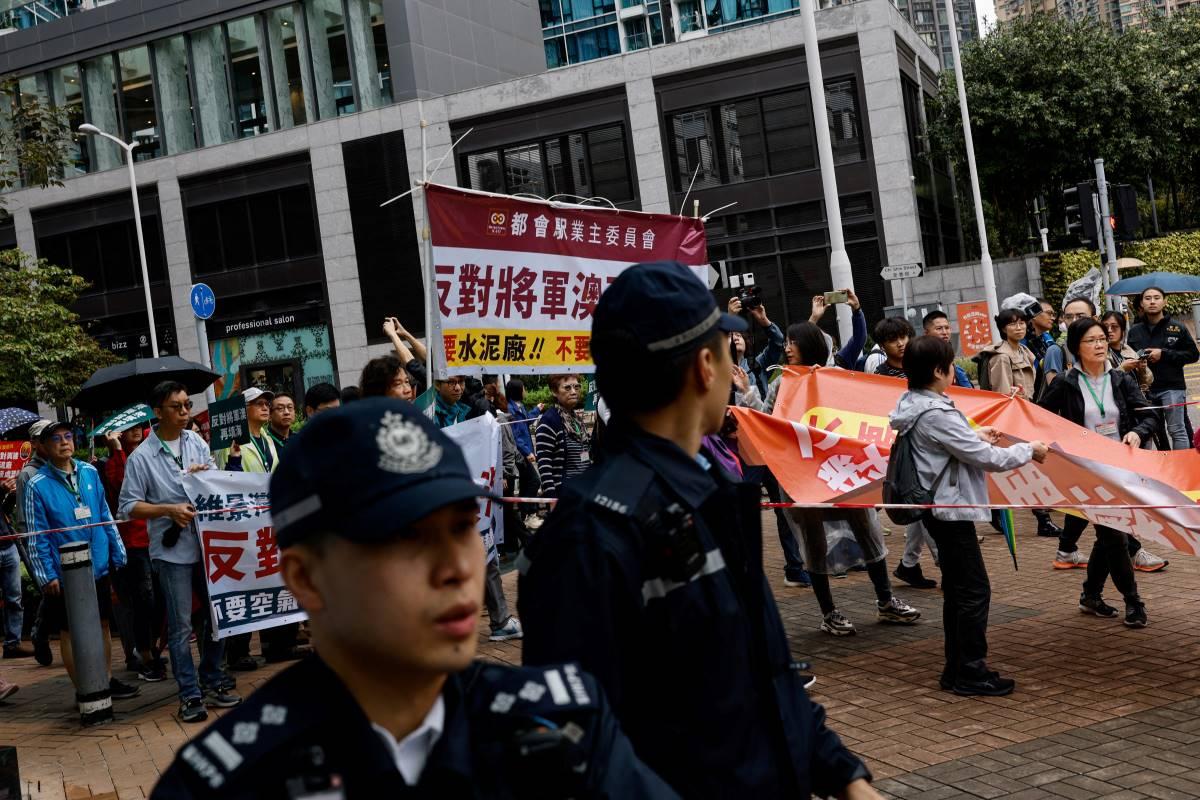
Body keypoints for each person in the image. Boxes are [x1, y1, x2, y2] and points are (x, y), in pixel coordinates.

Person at [151, 397, 677, 799]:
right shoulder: (225, 782)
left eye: (464, 525)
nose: (456, 568)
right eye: (405, 537)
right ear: (307, 578)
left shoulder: (563, 726)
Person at [521, 261, 880, 799]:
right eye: (725, 346)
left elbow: (759, 670)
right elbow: (571, 747)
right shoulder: (590, 534)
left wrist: (842, 772)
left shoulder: (709, 487)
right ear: (704, 368)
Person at [736, 319, 920, 636]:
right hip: (801, 476)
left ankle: (886, 599)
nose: (787, 347)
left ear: (809, 345)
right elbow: (767, 424)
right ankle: (829, 612)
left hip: (842, 471)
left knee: (868, 530)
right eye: (786, 343)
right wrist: (748, 393)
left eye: (792, 342)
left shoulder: (836, 379)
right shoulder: (783, 383)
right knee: (813, 541)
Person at [890, 336, 1049, 696]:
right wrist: (1029, 450)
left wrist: (974, 435)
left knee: (960, 593)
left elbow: (947, 447)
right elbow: (986, 459)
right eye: (949, 365)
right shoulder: (935, 412)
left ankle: (958, 669)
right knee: (974, 593)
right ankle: (971, 672)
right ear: (937, 371)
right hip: (951, 512)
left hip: (939, 509)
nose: (953, 372)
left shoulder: (913, 404)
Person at [118, 381, 241, 723]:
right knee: (180, 626)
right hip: (171, 552)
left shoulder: (196, 442)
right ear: (157, 412)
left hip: (207, 543)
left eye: (187, 405)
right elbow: (127, 506)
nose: (185, 412)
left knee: (218, 614)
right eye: (177, 407)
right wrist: (168, 510)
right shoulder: (142, 457)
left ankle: (213, 679)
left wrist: (204, 476)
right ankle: (189, 695)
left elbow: (214, 484)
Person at [1039, 319, 1158, 628]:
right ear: (1077, 347)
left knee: (1109, 533)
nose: (1100, 344)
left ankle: (1091, 595)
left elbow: (1148, 416)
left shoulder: (1120, 379)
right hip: (1087, 472)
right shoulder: (1065, 383)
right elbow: (1040, 419)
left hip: (1120, 469)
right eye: (1091, 340)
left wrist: (1135, 432)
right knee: (1113, 534)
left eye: (1103, 339)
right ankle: (1133, 601)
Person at [24, 421, 140, 701]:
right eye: (56, 438)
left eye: (68, 436)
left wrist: (117, 550)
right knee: (69, 629)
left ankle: (106, 679)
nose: (65, 442)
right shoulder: (36, 484)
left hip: (97, 563)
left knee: (101, 623)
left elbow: (104, 513)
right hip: (63, 570)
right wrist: (45, 574)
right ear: (43, 446)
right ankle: (84, 689)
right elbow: (35, 535)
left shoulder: (89, 471)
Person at [429, 380, 522, 643]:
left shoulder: (466, 411)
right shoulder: (427, 415)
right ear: (436, 384)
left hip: (470, 501)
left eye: (460, 383)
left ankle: (500, 620)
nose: (457, 387)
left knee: (486, 556)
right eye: (451, 382)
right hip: (441, 505)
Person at [103, 424, 166, 682]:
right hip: (134, 541)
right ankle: (143, 653)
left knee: (161, 598)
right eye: (128, 428)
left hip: (158, 536)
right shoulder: (113, 462)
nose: (136, 431)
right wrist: (117, 451)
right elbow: (123, 486)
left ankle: (153, 646)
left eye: (139, 426)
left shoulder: (154, 453)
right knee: (144, 599)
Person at [1127, 286, 1200, 450]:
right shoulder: (1134, 332)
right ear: (1142, 303)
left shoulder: (1177, 328)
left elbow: (1193, 355)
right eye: (1147, 298)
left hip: (1172, 388)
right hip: (1145, 391)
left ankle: (1182, 469)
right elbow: (1129, 357)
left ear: (1164, 301)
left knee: (1177, 430)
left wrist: (1164, 354)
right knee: (1151, 431)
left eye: (1156, 297)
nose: (1152, 301)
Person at [12, 420, 52, 665]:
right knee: (50, 590)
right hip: (40, 541)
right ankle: (41, 632)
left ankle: (42, 631)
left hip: (62, 538)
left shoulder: (61, 467)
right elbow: (25, 518)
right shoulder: (28, 474)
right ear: (35, 443)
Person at [533, 374, 591, 499]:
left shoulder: (576, 420)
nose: (574, 391)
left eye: (577, 387)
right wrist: (553, 500)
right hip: (565, 495)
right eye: (567, 388)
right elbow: (544, 466)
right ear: (554, 392)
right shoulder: (549, 421)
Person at [727, 295, 784, 395]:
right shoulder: (717, 372)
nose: (735, 338)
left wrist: (764, 320)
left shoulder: (758, 365)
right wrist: (729, 320)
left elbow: (778, 341)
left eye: (739, 335)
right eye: (730, 336)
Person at [216, 388, 279, 475]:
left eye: (267, 404)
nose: (265, 408)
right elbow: (227, 479)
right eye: (259, 403)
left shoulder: (268, 439)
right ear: (243, 408)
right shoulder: (231, 442)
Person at [982, 308, 1037, 398]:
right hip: (1015, 409)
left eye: (1021, 323)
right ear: (1003, 329)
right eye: (1013, 324)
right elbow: (1003, 394)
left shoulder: (1025, 352)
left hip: (1028, 406)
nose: (1019, 328)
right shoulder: (1001, 357)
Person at [1044, 296, 1098, 385]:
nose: (1074, 321)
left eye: (1080, 316)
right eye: (1069, 317)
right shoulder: (1055, 351)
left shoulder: (1100, 348)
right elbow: (1055, 392)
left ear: (1094, 319)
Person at [505, 378, 541, 504]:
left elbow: (526, 422)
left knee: (525, 482)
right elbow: (515, 436)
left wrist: (537, 410)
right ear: (517, 391)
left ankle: (525, 513)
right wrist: (527, 452)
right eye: (523, 388)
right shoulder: (510, 410)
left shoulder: (520, 406)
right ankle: (527, 511)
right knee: (534, 481)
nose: (525, 391)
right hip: (519, 453)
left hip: (524, 450)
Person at [923, 310, 973, 388]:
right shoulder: (921, 360)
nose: (945, 332)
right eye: (939, 328)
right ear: (926, 333)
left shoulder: (957, 370)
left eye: (947, 328)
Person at [382, 316, 429, 395]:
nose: (407, 390)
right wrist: (404, 333)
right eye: (398, 384)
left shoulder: (440, 381)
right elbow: (431, 360)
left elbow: (415, 367)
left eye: (407, 382)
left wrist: (393, 335)